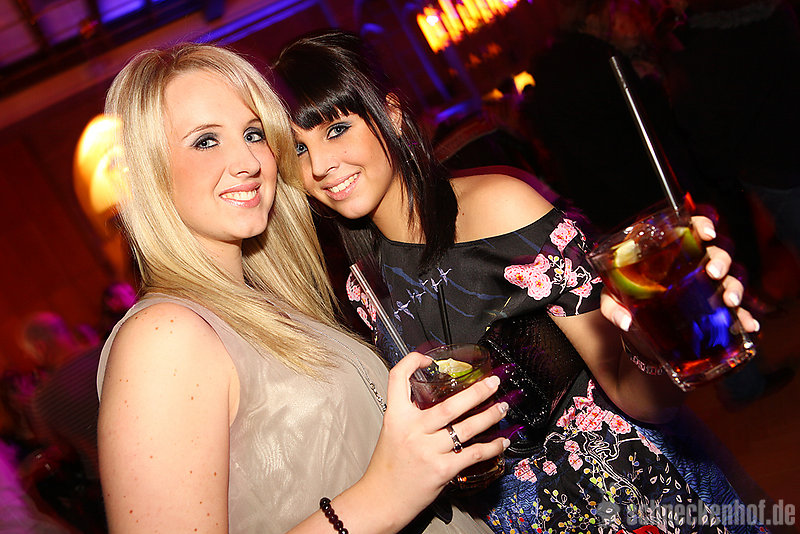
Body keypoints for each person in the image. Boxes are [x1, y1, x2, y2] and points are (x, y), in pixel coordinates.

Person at [274, 29, 763, 534]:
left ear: (391, 115)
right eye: (298, 149)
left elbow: (636, 395)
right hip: (512, 521)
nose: (320, 166)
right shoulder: (363, 287)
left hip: (628, 495)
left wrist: (669, 337)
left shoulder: (499, 207)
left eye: (336, 129)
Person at [96, 42, 510, 534]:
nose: (249, 161)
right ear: (151, 171)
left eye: (254, 134)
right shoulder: (163, 337)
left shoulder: (266, 308)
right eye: (205, 141)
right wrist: (387, 494)